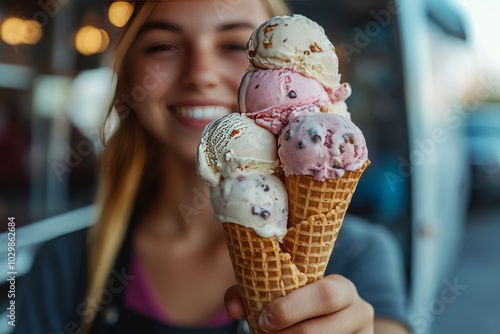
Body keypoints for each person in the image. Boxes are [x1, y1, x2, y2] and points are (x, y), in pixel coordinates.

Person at [15, 1, 410, 333]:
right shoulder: (63, 266)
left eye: (236, 44)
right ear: (126, 74)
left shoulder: (358, 255)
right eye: (163, 46)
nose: (200, 74)